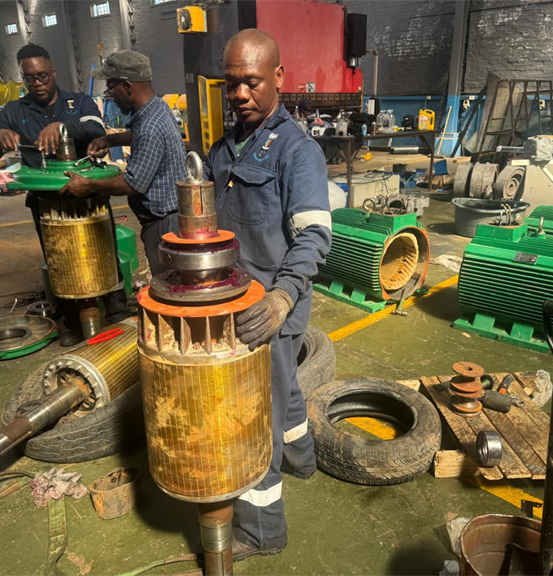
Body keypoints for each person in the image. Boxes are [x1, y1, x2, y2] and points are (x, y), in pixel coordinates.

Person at [205, 29, 332, 560]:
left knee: (258, 417)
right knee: (285, 391)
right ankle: (304, 460)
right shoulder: (223, 148)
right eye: (231, 83)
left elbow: (314, 235)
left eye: (252, 82)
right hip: (234, 302)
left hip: (272, 310)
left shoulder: (298, 152)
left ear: (278, 77)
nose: (239, 94)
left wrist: (281, 298)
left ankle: (262, 531)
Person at [0, 44, 130, 346]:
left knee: (104, 250)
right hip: (47, 203)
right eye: (30, 78)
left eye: (43, 76)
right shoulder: (15, 111)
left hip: (88, 195)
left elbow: (95, 128)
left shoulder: (78, 102)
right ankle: (71, 321)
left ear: (53, 73)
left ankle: (117, 308)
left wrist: (63, 127)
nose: (37, 83)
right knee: (58, 259)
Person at [59, 50, 187, 275]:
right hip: (169, 217)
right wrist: (109, 139)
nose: (110, 95)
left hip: (163, 225)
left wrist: (89, 185)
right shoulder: (157, 108)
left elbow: (133, 183)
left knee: (169, 283)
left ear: (127, 86)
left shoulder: (149, 126)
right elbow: (140, 136)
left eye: (111, 87)